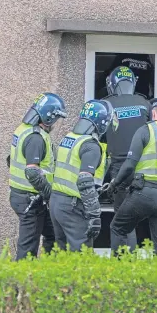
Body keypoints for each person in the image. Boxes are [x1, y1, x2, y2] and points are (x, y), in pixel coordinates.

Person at [109, 98, 157, 256]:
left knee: (118, 228)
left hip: (144, 193)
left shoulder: (146, 130)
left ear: (153, 113)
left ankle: (121, 270)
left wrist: (115, 184)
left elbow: (130, 164)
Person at [49, 100, 118, 251]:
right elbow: (85, 180)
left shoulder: (69, 138)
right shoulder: (90, 145)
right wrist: (94, 214)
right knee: (81, 255)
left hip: (56, 202)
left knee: (62, 253)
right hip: (73, 207)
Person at [9, 92, 67, 260]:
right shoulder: (35, 138)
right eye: (56, 118)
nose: (56, 123)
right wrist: (51, 195)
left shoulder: (23, 130)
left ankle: (48, 272)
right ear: (48, 117)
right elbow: (32, 172)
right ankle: (22, 284)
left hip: (26, 197)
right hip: (30, 199)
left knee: (54, 234)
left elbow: (10, 160)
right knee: (28, 249)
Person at [103, 66, 152, 249]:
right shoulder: (144, 103)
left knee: (123, 221)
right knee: (154, 216)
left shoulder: (106, 104)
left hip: (119, 169)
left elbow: (98, 137)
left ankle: (126, 265)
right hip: (144, 169)